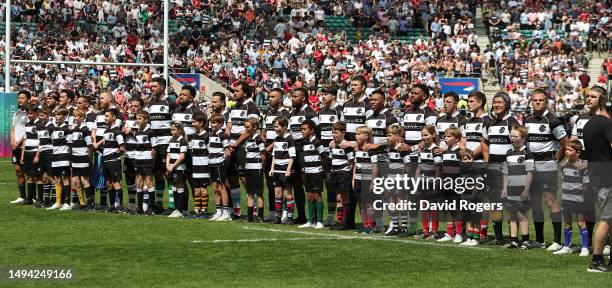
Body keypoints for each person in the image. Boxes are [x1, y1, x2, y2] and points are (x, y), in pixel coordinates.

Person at [524, 88, 567, 250]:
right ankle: (540, 240)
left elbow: (565, 143)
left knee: (550, 202)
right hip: (531, 169)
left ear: (546, 101)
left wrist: (556, 160)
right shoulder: (527, 120)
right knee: (535, 203)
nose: (537, 103)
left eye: (541, 100)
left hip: (547, 168)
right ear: (531, 101)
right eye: (535, 100)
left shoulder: (553, 120)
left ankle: (557, 241)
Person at [482, 92, 520, 244]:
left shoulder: (512, 122)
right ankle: (498, 237)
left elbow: (519, 145)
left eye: (500, 102)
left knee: (511, 203)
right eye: (495, 102)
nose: (496, 105)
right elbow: (484, 142)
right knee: (495, 203)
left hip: (508, 171)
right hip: (492, 170)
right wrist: (487, 160)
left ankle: (514, 238)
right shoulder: (489, 123)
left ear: (507, 104)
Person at [583, 86, 612, 273]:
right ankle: (596, 261)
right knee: (607, 220)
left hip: (597, 176)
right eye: (588, 96)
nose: (588, 99)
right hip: (607, 177)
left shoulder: (588, 124)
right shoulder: (605, 123)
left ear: (601, 100)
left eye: (592, 96)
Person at [365, 90, 398, 233]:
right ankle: (378, 224)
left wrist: (377, 145)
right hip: (370, 159)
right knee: (373, 193)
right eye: (371, 100)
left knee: (387, 193)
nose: (372, 102)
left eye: (375, 100)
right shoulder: (368, 116)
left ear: (383, 101)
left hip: (385, 159)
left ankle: (393, 223)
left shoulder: (389, 117)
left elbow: (396, 138)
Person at [227, 81, 260, 219]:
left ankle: (255, 210)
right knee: (232, 178)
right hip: (232, 146)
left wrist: (235, 144)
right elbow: (229, 125)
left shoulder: (252, 107)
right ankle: (237, 210)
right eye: (234, 91)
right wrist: (229, 140)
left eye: (237, 91)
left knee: (245, 178)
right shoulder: (234, 106)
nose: (234, 93)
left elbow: (250, 130)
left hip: (243, 148)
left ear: (245, 93)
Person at [463, 91, 493, 241]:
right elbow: (464, 140)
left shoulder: (487, 120)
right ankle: (472, 233)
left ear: (480, 102)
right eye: (468, 101)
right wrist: (464, 154)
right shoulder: (468, 121)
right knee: (470, 199)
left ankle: (482, 233)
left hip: (480, 164)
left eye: (471, 101)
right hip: (467, 165)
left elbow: (484, 144)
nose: (468, 103)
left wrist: (469, 155)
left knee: (481, 199)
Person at [288, 87, 319, 224]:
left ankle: (315, 218)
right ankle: (301, 215)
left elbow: (316, 132)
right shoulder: (293, 113)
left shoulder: (310, 113)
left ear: (303, 98)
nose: (292, 98)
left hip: (305, 153)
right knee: (296, 185)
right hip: (294, 152)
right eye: (292, 96)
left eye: (295, 96)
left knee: (309, 185)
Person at [554, 140, 590, 256]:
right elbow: (563, 180)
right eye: (566, 149)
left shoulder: (583, 166)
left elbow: (586, 185)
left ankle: (584, 247)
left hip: (578, 200)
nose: (567, 151)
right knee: (567, 223)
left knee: (581, 223)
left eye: (570, 150)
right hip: (566, 198)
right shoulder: (563, 165)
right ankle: (567, 246)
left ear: (578, 153)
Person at [502, 125, 534, 250]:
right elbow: (505, 172)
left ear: (523, 138)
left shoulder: (527, 153)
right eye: (511, 136)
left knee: (521, 214)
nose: (513, 138)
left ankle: (525, 241)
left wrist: (526, 189)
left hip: (522, 189)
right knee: (512, 215)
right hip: (510, 189)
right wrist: (504, 188)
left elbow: (530, 172)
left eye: (515, 136)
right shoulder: (508, 153)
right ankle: (513, 240)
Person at [146, 77, 174, 214]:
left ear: (162, 87)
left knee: (168, 172)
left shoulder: (170, 101)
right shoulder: (150, 102)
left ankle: (172, 204)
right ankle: (158, 203)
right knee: (156, 172)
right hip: (154, 142)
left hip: (166, 141)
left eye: (154, 86)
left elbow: (175, 121)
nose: (152, 89)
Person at [317, 85, 343, 226]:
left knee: (339, 186)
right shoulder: (320, 112)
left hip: (338, 154)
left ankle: (342, 218)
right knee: (329, 185)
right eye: (322, 94)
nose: (323, 96)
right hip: (325, 154)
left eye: (326, 94)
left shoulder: (339, 110)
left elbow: (343, 129)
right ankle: (331, 217)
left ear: (333, 95)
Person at [263, 88, 290, 221]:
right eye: (269, 96)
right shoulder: (268, 113)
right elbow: (265, 131)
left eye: (273, 97)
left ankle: (285, 212)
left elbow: (284, 135)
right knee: (271, 183)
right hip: (268, 150)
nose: (270, 99)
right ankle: (273, 211)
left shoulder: (284, 113)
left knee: (284, 185)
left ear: (280, 99)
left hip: (280, 151)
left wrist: (270, 147)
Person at [93, 108, 125, 213]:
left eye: (107, 116)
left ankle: (119, 206)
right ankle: (112, 205)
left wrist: (114, 155)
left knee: (116, 183)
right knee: (108, 183)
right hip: (106, 161)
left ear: (114, 117)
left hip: (113, 161)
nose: (105, 118)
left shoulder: (117, 131)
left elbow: (122, 148)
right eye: (104, 116)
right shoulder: (107, 131)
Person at [414, 125, 442, 240]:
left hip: (432, 183)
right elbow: (419, 167)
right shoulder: (422, 149)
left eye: (426, 135)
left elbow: (438, 168)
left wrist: (435, 183)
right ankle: (425, 230)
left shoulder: (436, 150)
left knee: (433, 206)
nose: (424, 137)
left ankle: (434, 230)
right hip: (422, 182)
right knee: (424, 207)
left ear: (433, 135)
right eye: (422, 135)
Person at [437, 127, 464, 243]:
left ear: (456, 138)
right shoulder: (445, 152)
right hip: (446, 185)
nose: (445, 138)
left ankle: (459, 233)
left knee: (457, 209)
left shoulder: (460, 152)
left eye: (449, 136)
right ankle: (449, 233)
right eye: (445, 136)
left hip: (456, 185)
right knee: (448, 208)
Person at [297, 119, 325, 229]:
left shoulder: (317, 142)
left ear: (312, 130)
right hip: (307, 173)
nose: (302, 131)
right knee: (309, 196)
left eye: (304, 129)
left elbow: (323, 157)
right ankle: (311, 221)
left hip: (316, 173)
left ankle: (320, 221)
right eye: (301, 130)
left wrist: (322, 170)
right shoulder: (304, 142)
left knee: (317, 195)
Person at [127, 110, 155, 215]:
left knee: (148, 181)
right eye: (137, 119)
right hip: (138, 159)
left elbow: (154, 148)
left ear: (146, 120)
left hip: (147, 159)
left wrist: (152, 160)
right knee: (139, 182)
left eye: (140, 119)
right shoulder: (138, 131)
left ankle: (151, 207)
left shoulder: (150, 132)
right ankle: (139, 207)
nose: (137, 121)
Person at [384, 124, 410, 237]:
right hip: (391, 179)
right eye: (387, 136)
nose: (387, 138)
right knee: (392, 202)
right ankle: (394, 227)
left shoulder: (402, 149)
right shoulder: (388, 148)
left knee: (401, 202)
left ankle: (404, 227)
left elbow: (408, 165)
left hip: (400, 179)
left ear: (397, 136)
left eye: (390, 135)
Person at [328, 122, 355, 230]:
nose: (334, 135)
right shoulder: (332, 145)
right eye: (332, 133)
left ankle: (345, 222)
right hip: (334, 173)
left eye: (336, 133)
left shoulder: (346, 146)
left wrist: (349, 173)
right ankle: (339, 221)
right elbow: (331, 159)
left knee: (345, 198)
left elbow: (352, 162)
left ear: (343, 133)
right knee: (338, 198)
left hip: (344, 174)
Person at [269, 117, 296, 225]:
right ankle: (278, 216)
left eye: (277, 126)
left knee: (287, 194)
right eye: (274, 127)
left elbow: (292, 156)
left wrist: (288, 170)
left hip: (285, 170)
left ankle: (290, 217)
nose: (275, 129)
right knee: (277, 194)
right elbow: (274, 155)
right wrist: (272, 169)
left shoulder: (289, 139)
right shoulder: (276, 139)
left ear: (284, 126)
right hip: (277, 170)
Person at [69, 108, 94, 210]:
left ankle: (90, 203)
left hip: (83, 158)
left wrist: (89, 158)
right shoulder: (75, 129)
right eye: (74, 116)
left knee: (84, 180)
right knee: (76, 180)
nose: (75, 118)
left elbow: (89, 145)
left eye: (77, 116)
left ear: (83, 117)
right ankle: (82, 203)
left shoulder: (85, 129)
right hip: (75, 158)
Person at [48, 108, 72, 211]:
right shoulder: (53, 129)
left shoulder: (66, 129)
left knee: (65, 179)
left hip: (63, 157)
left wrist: (69, 157)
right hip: (55, 156)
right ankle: (58, 203)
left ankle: (67, 203)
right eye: (55, 115)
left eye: (58, 115)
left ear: (64, 116)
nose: (56, 117)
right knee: (57, 179)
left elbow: (70, 144)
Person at [209, 115, 231, 221]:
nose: (212, 124)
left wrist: (223, 164)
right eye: (211, 122)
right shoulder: (210, 134)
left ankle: (226, 213)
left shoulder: (222, 135)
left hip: (219, 164)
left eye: (215, 123)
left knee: (222, 188)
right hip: (211, 164)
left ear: (221, 124)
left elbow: (227, 152)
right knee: (215, 188)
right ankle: (218, 211)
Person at [243, 118, 266, 223]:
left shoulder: (258, 139)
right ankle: (250, 216)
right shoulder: (248, 139)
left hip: (257, 169)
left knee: (259, 193)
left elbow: (263, 154)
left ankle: (260, 216)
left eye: (248, 127)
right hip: (249, 169)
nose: (246, 129)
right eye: (245, 126)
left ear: (255, 127)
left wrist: (262, 167)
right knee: (250, 193)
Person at [353, 126, 375, 234]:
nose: (355, 136)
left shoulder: (371, 149)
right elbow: (356, 165)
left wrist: (373, 181)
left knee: (368, 203)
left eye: (358, 134)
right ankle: (364, 225)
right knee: (361, 203)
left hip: (367, 180)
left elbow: (375, 166)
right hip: (357, 180)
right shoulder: (357, 148)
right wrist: (353, 179)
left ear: (366, 136)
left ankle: (370, 225)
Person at [9, 91, 30, 204]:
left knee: (29, 172)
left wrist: (19, 142)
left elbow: (28, 130)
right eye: (19, 98)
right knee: (18, 171)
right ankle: (22, 196)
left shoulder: (29, 114)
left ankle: (32, 196)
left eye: (22, 98)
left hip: (24, 146)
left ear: (28, 99)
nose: (19, 100)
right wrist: (12, 141)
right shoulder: (16, 113)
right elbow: (13, 128)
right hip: (15, 146)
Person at [458, 149, 481, 246]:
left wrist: (473, 196)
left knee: (475, 219)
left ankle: (476, 239)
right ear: (461, 161)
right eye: (465, 159)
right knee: (468, 219)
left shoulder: (475, 169)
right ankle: (469, 238)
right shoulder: (461, 171)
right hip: (465, 198)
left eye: (469, 158)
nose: (467, 161)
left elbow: (478, 184)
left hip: (475, 198)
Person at [19, 105, 41, 205]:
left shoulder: (40, 124)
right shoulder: (27, 124)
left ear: (37, 113)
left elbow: (41, 141)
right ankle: (29, 198)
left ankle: (39, 198)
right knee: (29, 176)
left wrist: (37, 154)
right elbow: (25, 140)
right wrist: (22, 155)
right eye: (28, 113)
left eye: (31, 113)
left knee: (37, 176)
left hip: (35, 152)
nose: (29, 115)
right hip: (27, 152)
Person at [166, 122, 189, 218]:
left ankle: (181, 210)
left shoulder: (182, 141)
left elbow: (182, 156)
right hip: (172, 168)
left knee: (180, 187)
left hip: (179, 168)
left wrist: (173, 166)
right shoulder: (171, 141)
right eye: (171, 129)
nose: (172, 131)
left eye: (174, 129)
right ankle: (176, 209)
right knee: (174, 187)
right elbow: (168, 154)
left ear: (180, 130)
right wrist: (168, 165)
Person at [190, 112, 210, 219]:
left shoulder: (207, 136)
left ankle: (204, 211)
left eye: (194, 122)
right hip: (195, 167)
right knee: (196, 190)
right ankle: (197, 211)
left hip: (204, 167)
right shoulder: (193, 136)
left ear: (201, 123)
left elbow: (209, 151)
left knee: (203, 190)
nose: (192, 124)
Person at [35, 107, 54, 208]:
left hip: (50, 153)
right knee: (44, 177)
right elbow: (39, 142)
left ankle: (54, 199)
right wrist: (37, 154)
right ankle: (46, 200)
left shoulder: (51, 127)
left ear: (48, 116)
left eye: (43, 115)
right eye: (40, 115)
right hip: (42, 154)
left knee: (52, 177)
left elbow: (54, 142)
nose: (41, 117)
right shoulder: (39, 127)